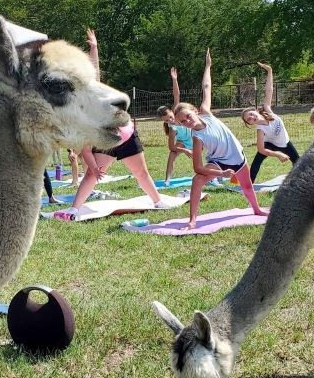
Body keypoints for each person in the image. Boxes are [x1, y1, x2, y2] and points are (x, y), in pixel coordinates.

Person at [61, 28, 166, 216]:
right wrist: (94, 168)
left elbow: (94, 71)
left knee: (141, 173)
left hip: (126, 137)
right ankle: (74, 208)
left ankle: (158, 202)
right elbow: (85, 149)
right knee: (91, 175)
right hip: (105, 143)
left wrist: (94, 47)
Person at [173, 49, 268, 230]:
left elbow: (206, 87)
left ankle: (256, 209)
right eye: (182, 122)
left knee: (247, 187)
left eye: (187, 116)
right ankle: (192, 220)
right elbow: (198, 168)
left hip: (237, 158)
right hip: (218, 163)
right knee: (197, 180)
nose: (186, 121)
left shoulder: (206, 112)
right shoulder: (196, 138)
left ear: (194, 110)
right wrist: (221, 174)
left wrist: (208, 66)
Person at [242, 62, 300, 182]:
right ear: (250, 124)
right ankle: (249, 184)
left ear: (255, 111)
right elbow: (261, 150)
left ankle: (304, 182)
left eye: (251, 114)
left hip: (285, 142)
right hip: (271, 145)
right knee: (257, 160)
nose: (252, 118)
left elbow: (269, 90)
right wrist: (278, 154)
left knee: (299, 163)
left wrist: (269, 71)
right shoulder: (260, 131)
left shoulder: (268, 110)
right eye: (249, 119)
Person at [155, 67, 193, 187]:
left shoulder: (177, 113)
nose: (170, 120)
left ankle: (214, 176)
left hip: (195, 137)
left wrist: (174, 79)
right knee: (172, 154)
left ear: (172, 112)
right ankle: (167, 180)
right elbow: (171, 146)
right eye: (167, 120)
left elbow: (176, 95)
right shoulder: (172, 127)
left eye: (170, 117)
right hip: (184, 142)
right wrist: (185, 150)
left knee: (201, 156)